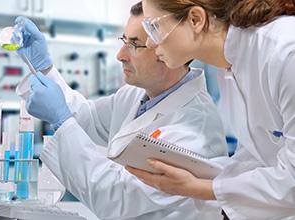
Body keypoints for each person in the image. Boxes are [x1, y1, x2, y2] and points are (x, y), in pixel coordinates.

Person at [16, 2, 228, 219]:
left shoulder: (194, 128)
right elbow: (88, 119)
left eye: (134, 44)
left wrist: (60, 120)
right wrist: (43, 68)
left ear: (166, 48)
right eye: (124, 41)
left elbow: (116, 197)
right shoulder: (136, 95)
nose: (120, 55)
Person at [125, 0, 295, 219]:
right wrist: (200, 176)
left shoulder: (285, 53)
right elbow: (258, 155)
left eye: (153, 27)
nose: (149, 42)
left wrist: (196, 187)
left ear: (196, 19)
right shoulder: (230, 64)